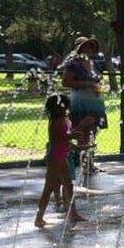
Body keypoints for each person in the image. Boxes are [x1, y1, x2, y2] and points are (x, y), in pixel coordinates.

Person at [35, 94, 92, 227]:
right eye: (57, 108)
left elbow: (68, 136)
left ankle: (72, 213)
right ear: (52, 109)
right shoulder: (55, 122)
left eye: (62, 107)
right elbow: (60, 139)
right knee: (48, 188)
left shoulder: (64, 119)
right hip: (55, 158)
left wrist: (79, 145)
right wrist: (80, 128)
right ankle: (38, 218)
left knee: (69, 185)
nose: (60, 110)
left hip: (62, 156)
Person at [61, 37, 107, 173]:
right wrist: (87, 84)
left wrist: (99, 87)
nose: (89, 49)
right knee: (83, 133)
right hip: (81, 102)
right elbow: (65, 82)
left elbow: (99, 81)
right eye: (85, 47)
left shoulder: (95, 64)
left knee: (93, 132)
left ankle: (90, 163)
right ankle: (84, 165)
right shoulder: (73, 65)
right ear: (79, 49)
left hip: (96, 102)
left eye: (91, 47)